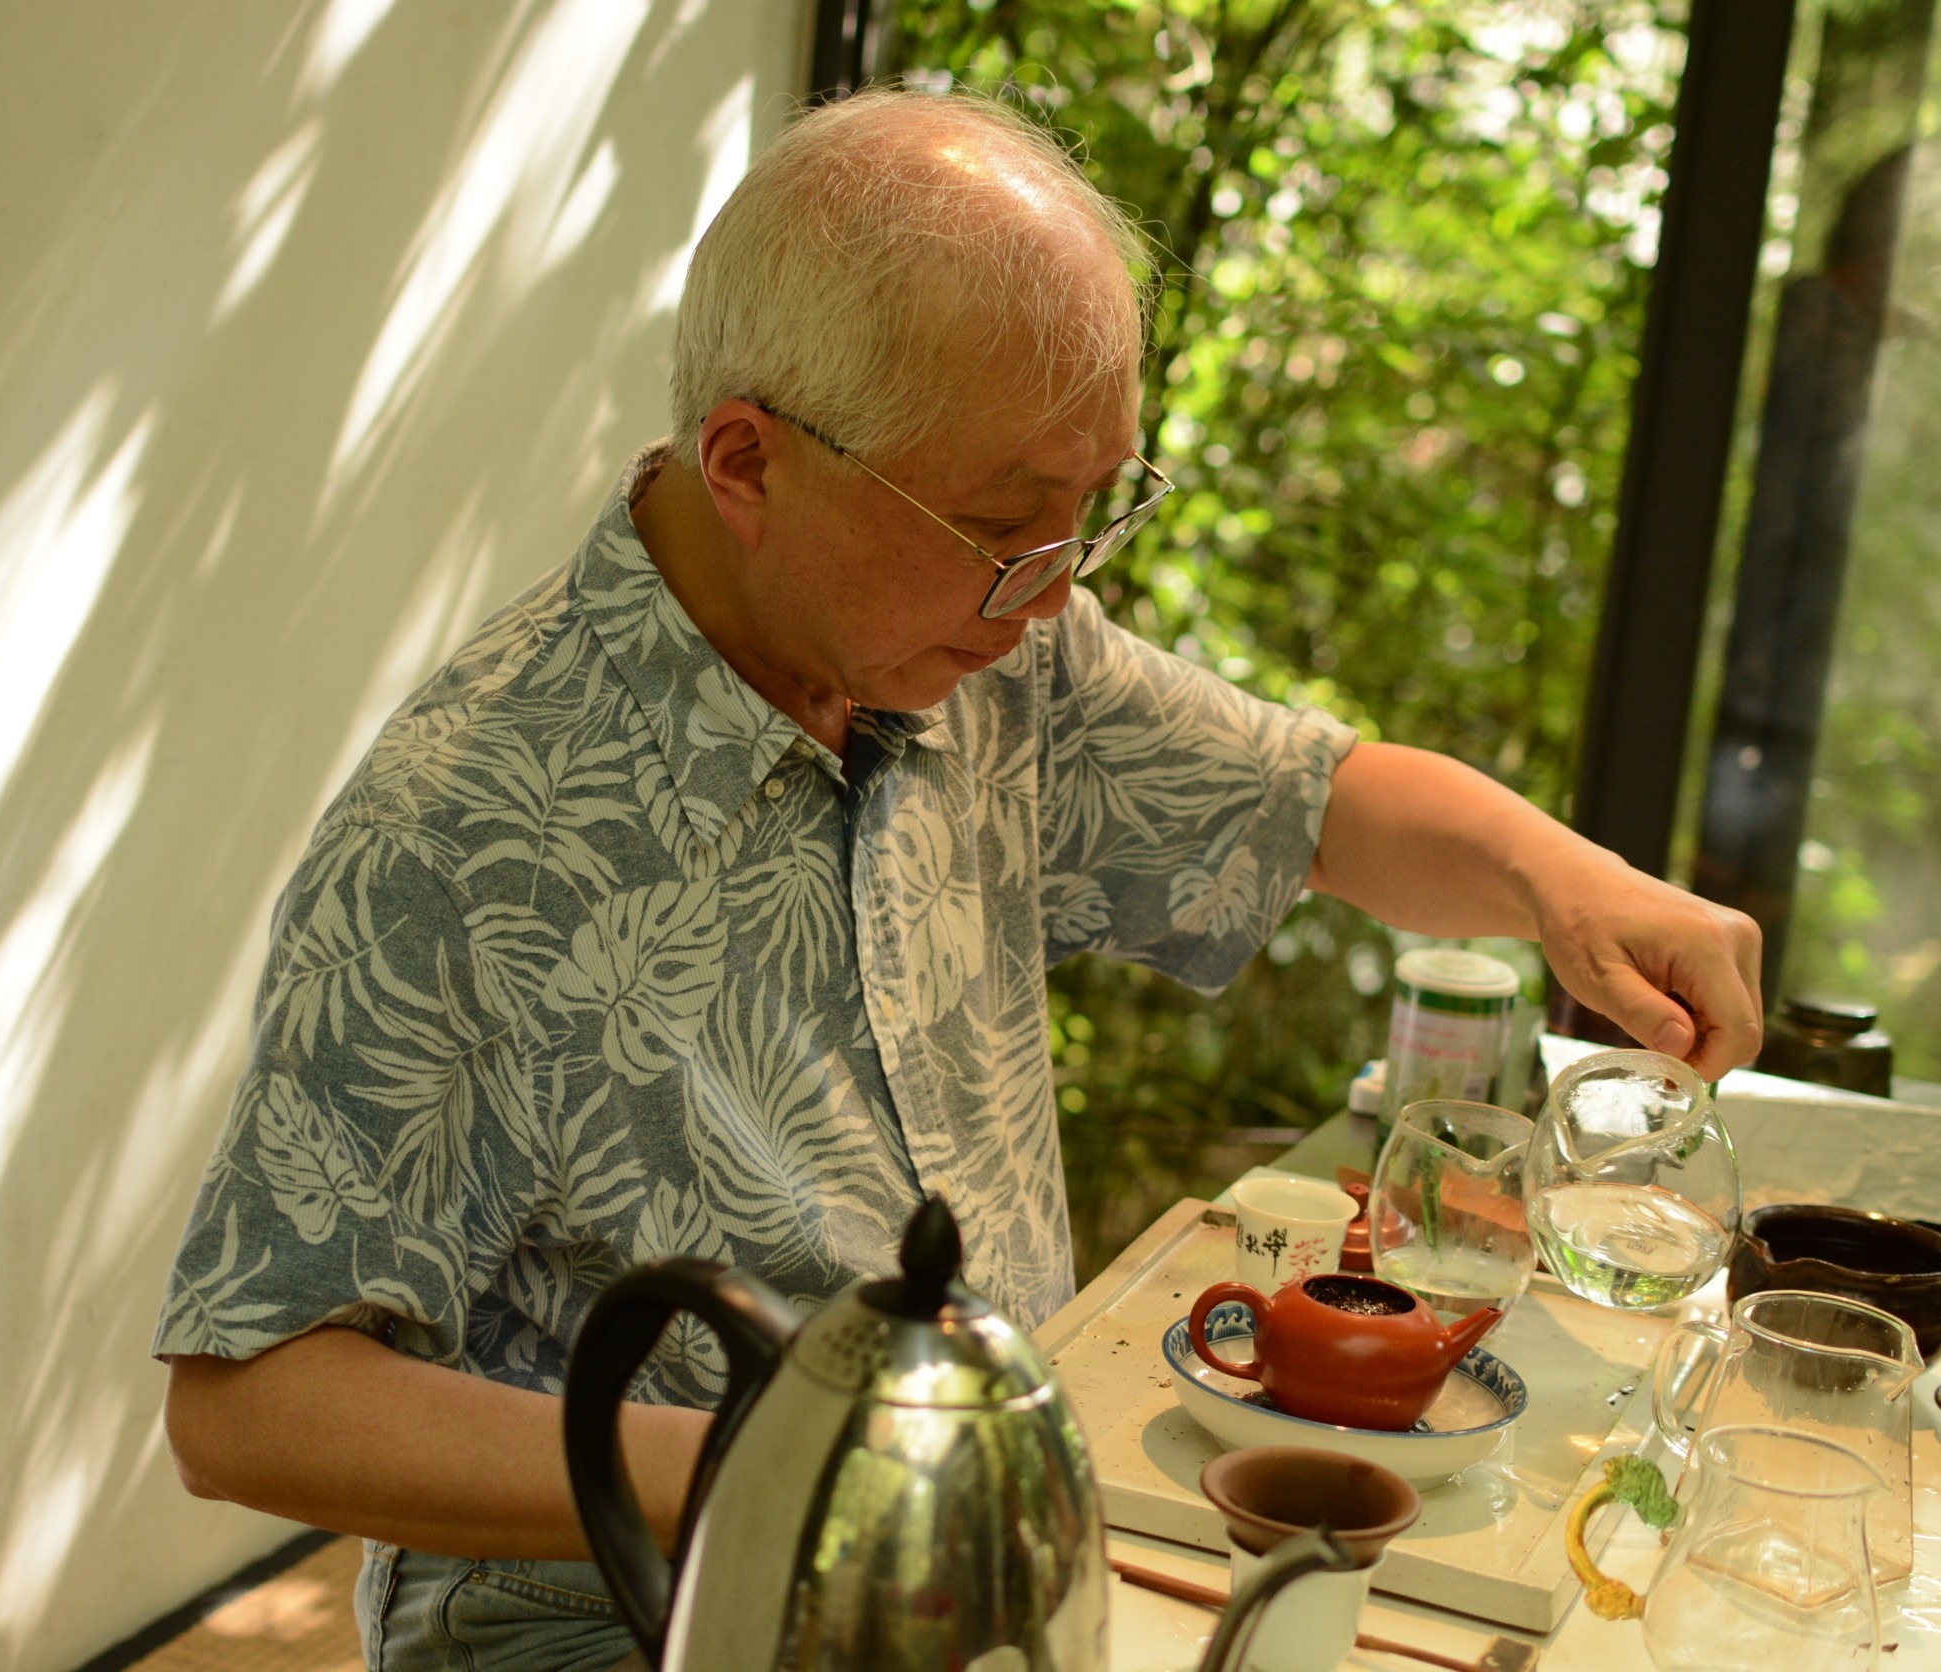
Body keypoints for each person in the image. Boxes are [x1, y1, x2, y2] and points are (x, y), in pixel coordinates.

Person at [154, 88, 1762, 1671]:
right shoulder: (464, 831)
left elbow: (1309, 801)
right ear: (746, 463)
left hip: (978, 1587)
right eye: (1006, 523)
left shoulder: (982, 655)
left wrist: (1573, 881)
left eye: (1093, 512)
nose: (1054, 590)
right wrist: (780, 1472)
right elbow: (250, 1403)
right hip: (645, 1622)